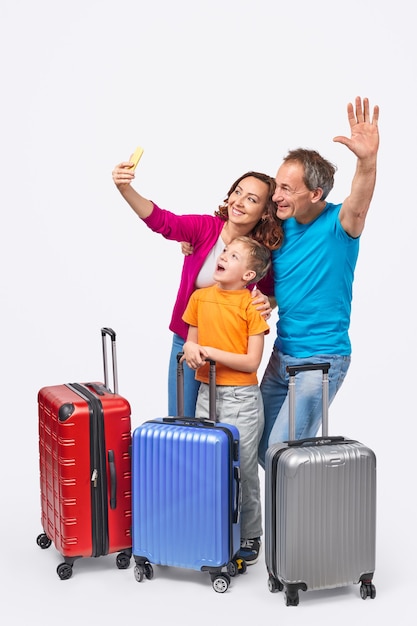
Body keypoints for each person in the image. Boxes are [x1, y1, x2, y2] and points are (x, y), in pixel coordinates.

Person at [258, 96, 380, 468]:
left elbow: (359, 202)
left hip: (321, 360)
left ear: (315, 194)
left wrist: (367, 160)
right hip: (283, 355)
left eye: (286, 189)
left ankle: (311, 514)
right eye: (277, 185)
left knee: (282, 456)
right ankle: (306, 496)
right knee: (259, 449)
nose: (276, 195)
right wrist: (272, 302)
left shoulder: (340, 224)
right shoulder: (280, 227)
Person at [112, 164, 283, 417]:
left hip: (230, 351)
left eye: (252, 199)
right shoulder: (204, 229)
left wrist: (266, 303)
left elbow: (270, 292)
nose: (239, 201)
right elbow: (163, 221)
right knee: (182, 420)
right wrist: (126, 189)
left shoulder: (261, 251)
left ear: (265, 212)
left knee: (222, 430)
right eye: (238, 191)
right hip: (188, 341)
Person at [182, 236, 271, 565]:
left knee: (243, 469)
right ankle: (212, 527)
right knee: (208, 465)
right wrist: (193, 351)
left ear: (248, 275)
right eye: (225, 252)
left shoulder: (251, 306)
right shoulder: (200, 298)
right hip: (208, 394)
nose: (223, 256)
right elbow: (191, 344)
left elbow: (251, 363)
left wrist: (210, 354)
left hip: (242, 399)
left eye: (233, 256)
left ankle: (250, 533)